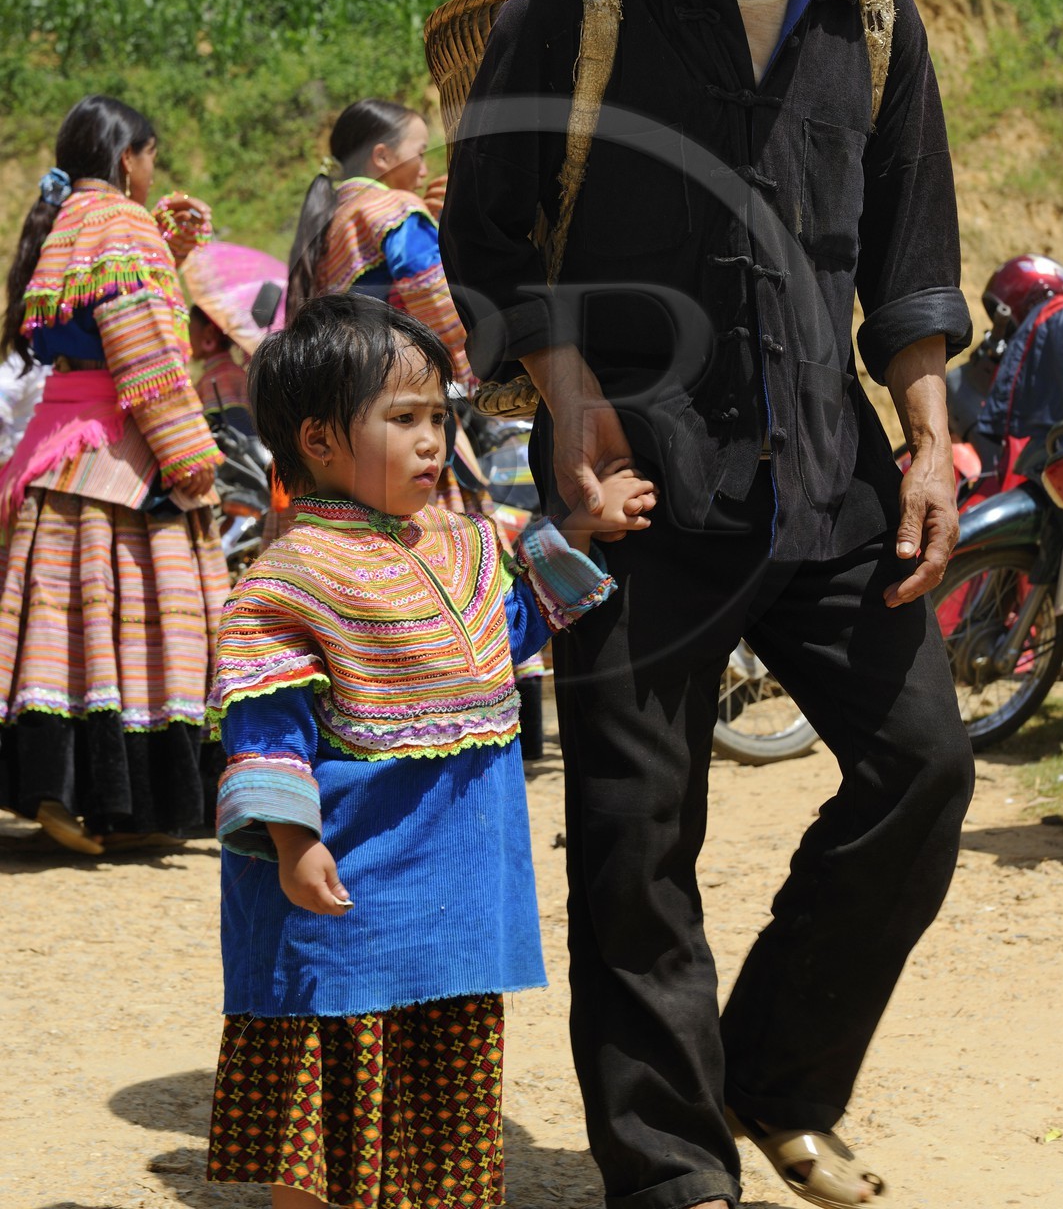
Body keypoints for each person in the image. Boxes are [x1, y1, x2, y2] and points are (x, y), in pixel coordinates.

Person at [440, 0, 976, 1209]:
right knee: (630, 838)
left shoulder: (869, 19)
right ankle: (672, 1176)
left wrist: (931, 439)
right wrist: (565, 407)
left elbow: (910, 259)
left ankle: (777, 1078)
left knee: (922, 768)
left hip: (829, 478)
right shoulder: (577, 10)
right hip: (631, 486)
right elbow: (488, 247)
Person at [203, 291, 655, 1208]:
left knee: (440, 1113)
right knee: (330, 1113)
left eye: (440, 418)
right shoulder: (288, 581)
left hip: (453, 899)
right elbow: (266, 731)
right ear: (322, 442)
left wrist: (580, 531)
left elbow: (503, 632)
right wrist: (294, 845)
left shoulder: (462, 546)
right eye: (402, 418)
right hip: (352, 898)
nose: (431, 440)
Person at [0, 95, 228, 856]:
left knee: (57, 630)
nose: (154, 168)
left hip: (56, 451)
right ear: (131, 160)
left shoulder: (63, 222)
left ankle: (51, 788)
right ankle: (129, 799)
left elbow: (85, 324)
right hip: (119, 453)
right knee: (139, 623)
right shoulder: (123, 228)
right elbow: (146, 358)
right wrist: (192, 464)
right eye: (152, 156)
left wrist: (171, 249)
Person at [286, 96, 473, 391]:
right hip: (406, 375)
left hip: (360, 384)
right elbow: (428, 285)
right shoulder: (394, 207)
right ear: (383, 157)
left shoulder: (330, 224)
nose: (424, 170)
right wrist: (470, 361)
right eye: (420, 153)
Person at [189, 304, 254, 435]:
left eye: (189, 331)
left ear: (209, 332)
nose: (188, 338)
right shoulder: (240, 373)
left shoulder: (214, 380)